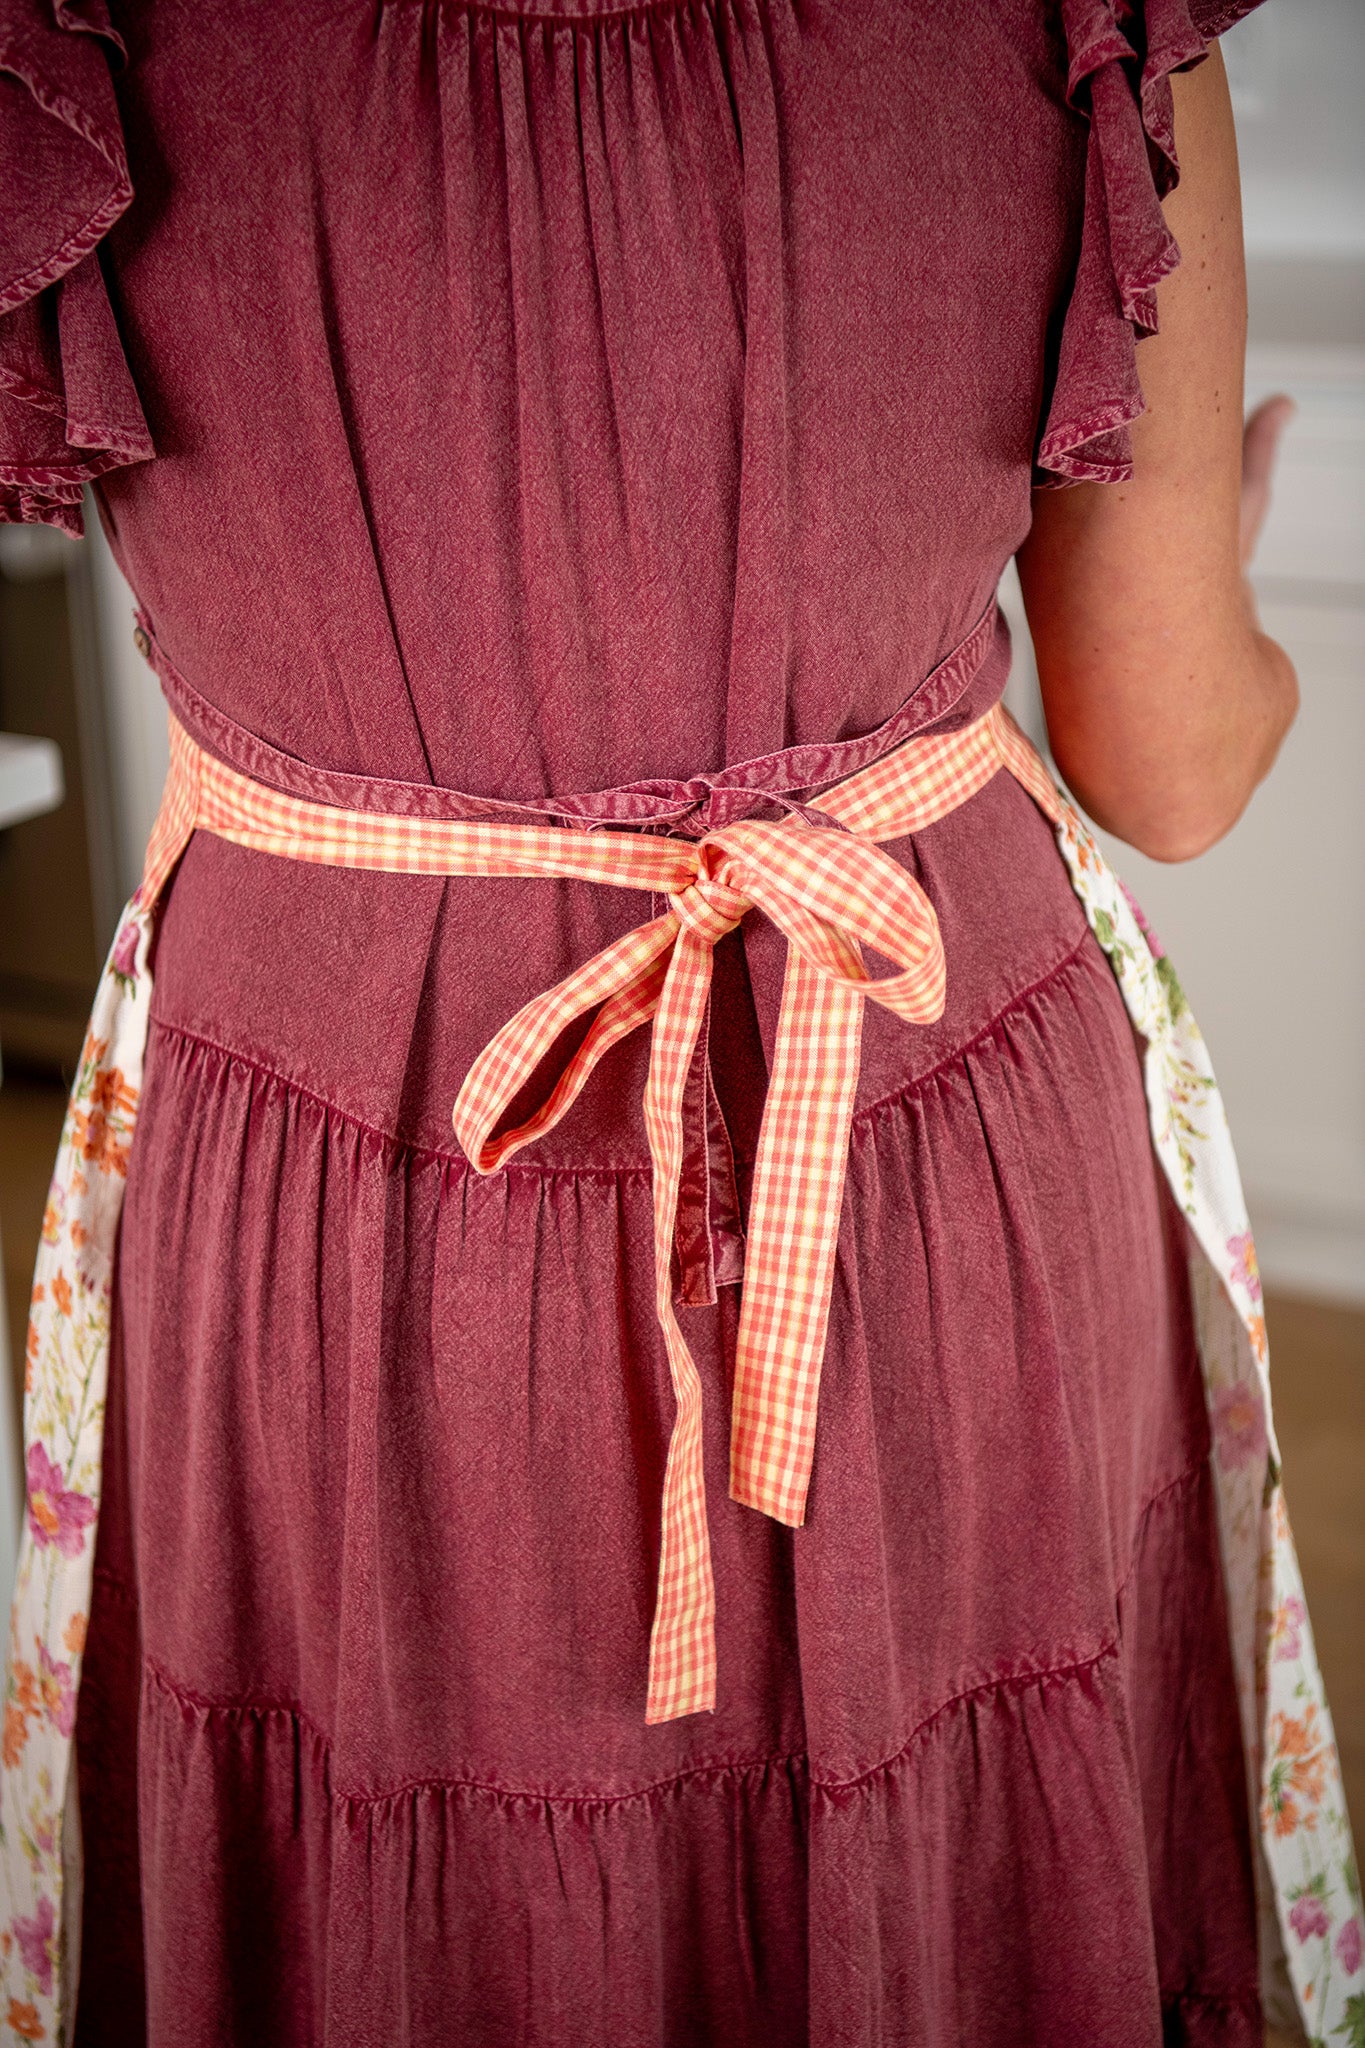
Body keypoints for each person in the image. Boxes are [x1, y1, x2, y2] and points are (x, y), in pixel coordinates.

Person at [0, 1, 1357, 2043]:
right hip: (922, 1118)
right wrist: (1221, 584)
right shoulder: (1086, 23)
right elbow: (1164, 751)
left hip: (350, 1166)